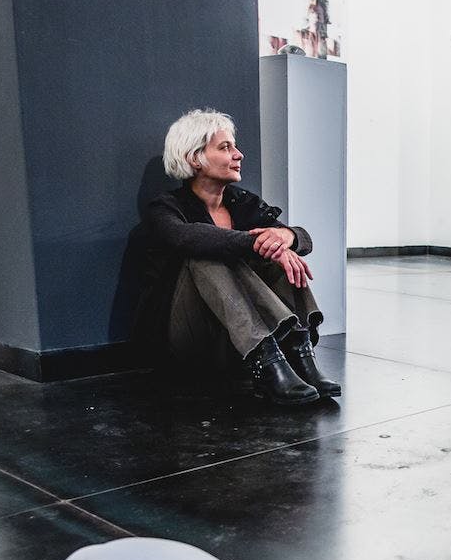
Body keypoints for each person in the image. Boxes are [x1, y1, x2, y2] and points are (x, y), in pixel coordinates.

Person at [135, 108, 340, 404]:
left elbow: (302, 239)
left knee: (278, 254)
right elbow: (186, 237)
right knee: (206, 254)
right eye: (225, 147)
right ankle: (266, 362)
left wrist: (286, 238)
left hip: (233, 341)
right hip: (186, 339)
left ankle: (300, 353)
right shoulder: (165, 208)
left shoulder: (242, 202)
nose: (238, 154)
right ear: (194, 158)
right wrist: (257, 242)